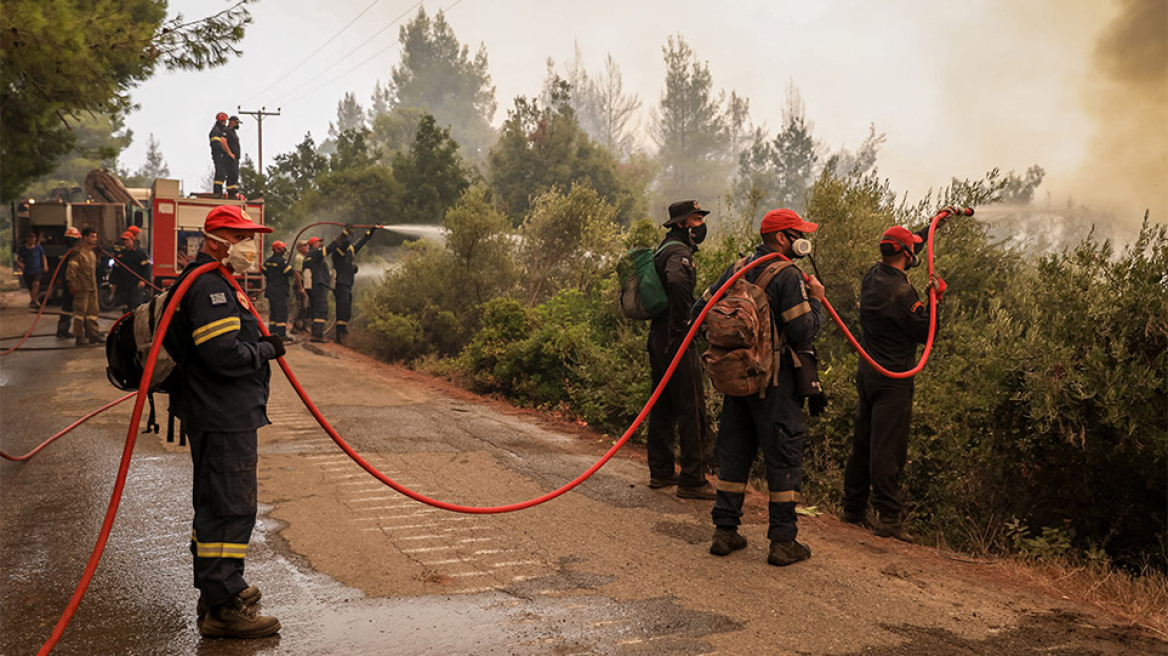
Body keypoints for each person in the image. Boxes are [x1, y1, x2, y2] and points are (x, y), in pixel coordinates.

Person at [161, 205, 282, 639]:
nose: (249, 245)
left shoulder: (215, 279)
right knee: (229, 507)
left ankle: (221, 586)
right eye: (241, 237)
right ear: (215, 240)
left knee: (221, 503)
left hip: (222, 411)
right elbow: (222, 354)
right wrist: (266, 350)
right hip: (222, 413)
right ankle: (222, 607)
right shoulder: (209, 285)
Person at [695, 208, 825, 566]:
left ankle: (724, 532)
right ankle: (783, 542)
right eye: (799, 234)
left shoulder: (737, 268)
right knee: (783, 458)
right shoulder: (789, 275)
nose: (804, 240)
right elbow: (803, 331)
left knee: (734, 453)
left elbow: (699, 310)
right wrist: (816, 298)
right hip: (775, 384)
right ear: (783, 238)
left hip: (738, 381)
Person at [841, 216, 948, 543]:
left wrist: (933, 225)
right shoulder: (903, 294)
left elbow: (907, 244)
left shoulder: (872, 276)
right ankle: (888, 518)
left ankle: (853, 509)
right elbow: (927, 333)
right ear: (905, 254)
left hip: (868, 373)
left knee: (863, 441)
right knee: (888, 449)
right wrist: (936, 300)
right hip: (894, 378)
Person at [646, 200, 716, 499]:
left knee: (663, 404)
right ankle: (693, 479)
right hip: (676, 338)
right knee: (692, 406)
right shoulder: (679, 252)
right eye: (696, 219)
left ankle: (661, 470)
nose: (701, 225)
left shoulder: (664, 248)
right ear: (681, 223)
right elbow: (676, 281)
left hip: (658, 337)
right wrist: (683, 324)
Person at [325, 224, 377, 345]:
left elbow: (360, 244)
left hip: (348, 285)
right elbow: (346, 243)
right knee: (342, 310)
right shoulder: (337, 253)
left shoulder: (348, 252)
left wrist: (369, 233)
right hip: (340, 285)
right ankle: (339, 335)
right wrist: (350, 233)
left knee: (347, 311)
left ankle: (343, 331)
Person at [66, 227, 103, 346]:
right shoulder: (78, 253)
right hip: (81, 288)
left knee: (93, 313)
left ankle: (93, 335)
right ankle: (79, 336)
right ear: (85, 238)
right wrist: (72, 285)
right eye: (92, 237)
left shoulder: (91, 253)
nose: (95, 239)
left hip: (92, 288)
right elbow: (71, 270)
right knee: (80, 313)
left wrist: (98, 257)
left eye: (95, 237)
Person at [111, 231, 152, 313]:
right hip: (123, 286)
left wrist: (143, 280)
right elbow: (115, 270)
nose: (125, 242)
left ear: (132, 240)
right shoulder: (120, 255)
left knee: (135, 307)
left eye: (127, 240)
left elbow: (146, 268)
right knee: (125, 308)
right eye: (123, 240)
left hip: (136, 285)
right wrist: (113, 283)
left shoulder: (140, 254)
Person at [261, 241, 294, 340]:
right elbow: (291, 273)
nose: (284, 250)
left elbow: (263, 271)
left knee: (273, 312)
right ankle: (281, 334)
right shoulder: (281, 261)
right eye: (282, 248)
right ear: (276, 249)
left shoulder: (268, 261)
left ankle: (273, 331)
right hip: (280, 291)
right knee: (281, 312)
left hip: (271, 290)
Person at [302, 237, 331, 343]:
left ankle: (315, 333)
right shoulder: (314, 254)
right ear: (313, 244)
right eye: (318, 242)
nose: (320, 244)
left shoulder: (309, 256)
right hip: (319, 285)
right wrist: (343, 236)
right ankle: (317, 335)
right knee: (320, 309)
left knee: (316, 309)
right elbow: (331, 248)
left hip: (314, 286)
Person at [55, 227, 82, 338]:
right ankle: (64, 330)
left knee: (67, 307)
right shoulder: (73, 252)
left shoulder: (62, 251)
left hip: (65, 282)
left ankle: (62, 330)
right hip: (71, 283)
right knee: (70, 307)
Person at [16, 233, 48, 308]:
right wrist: (19, 264)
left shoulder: (38, 248)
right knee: (30, 288)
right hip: (27, 270)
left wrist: (45, 265)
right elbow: (18, 259)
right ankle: (34, 300)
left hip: (37, 269)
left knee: (36, 284)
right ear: (27, 239)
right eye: (30, 239)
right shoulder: (22, 248)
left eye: (33, 239)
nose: (32, 240)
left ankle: (35, 300)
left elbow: (43, 257)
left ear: (35, 239)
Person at [209, 112, 235, 197]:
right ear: (220, 121)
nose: (225, 123)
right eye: (224, 121)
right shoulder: (215, 131)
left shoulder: (222, 131)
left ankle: (220, 192)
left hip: (222, 155)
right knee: (220, 173)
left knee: (224, 173)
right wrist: (225, 150)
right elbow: (216, 145)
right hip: (218, 155)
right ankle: (217, 191)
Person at [289, 240, 310, 335]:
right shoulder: (299, 258)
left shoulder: (305, 257)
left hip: (305, 283)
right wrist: (300, 287)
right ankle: (295, 327)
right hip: (300, 284)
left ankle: (302, 326)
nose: (307, 247)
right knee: (300, 305)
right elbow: (297, 273)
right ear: (299, 248)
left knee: (305, 306)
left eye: (307, 245)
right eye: (304, 245)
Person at [224, 115, 243, 199]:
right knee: (232, 174)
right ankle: (231, 193)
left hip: (235, 158)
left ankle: (233, 192)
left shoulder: (233, 132)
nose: (237, 125)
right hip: (230, 158)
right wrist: (230, 153)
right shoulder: (226, 130)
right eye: (236, 122)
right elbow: (223, 142)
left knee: (235, 175)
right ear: (231, 122)